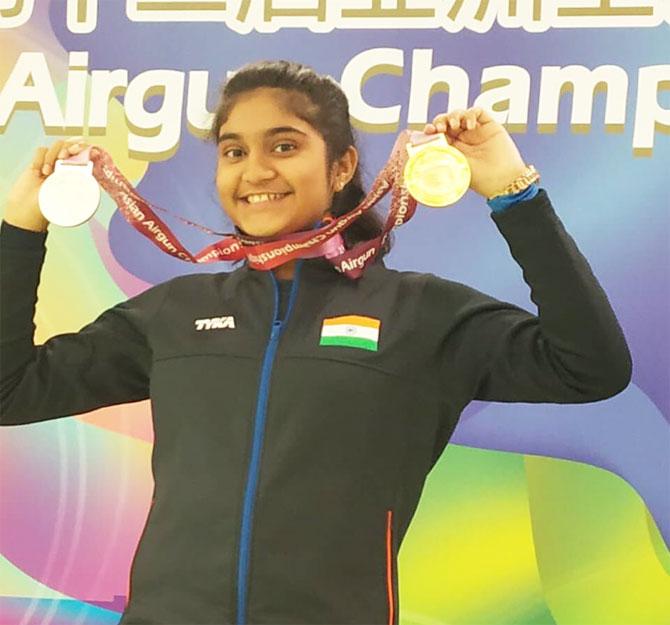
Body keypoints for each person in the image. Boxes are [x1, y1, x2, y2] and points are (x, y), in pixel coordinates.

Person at [0, 60, 632, 625]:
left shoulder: (422, 315)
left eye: (284, 145)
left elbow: (590, 367)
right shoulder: (174, 314)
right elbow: (10, 390)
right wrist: (20, 228)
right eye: (233, 151)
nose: (256, 171)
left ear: (343, 166)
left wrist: (513, 192)